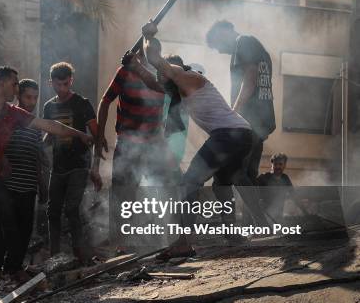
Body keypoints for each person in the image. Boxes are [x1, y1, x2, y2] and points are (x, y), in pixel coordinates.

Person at [129, 21, 269, 256]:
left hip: (229, 135)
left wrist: (148, 35)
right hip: (240, 134)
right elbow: (153, 80)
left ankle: (184, 242)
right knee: (224, 183)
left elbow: (155, 59)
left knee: (189, 182)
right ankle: (239, 232)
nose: (163, 78)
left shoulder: (186, 76)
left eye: (166, 74)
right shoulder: (178, 89)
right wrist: (135, 65)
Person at [0, 66, 92, 280]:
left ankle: (11, 269)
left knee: (12, 223)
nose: (17, 89)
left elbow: (49, 125)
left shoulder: (12, 114)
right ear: (2, 83)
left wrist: (79, 134)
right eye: (15, 84)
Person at [94, 56, 181, 250]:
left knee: (165, 191)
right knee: (123, 195)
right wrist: (99, 138)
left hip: (154, 144)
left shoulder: (163, 77)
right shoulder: (125, 72)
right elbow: (105, 101)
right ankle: (120, 245)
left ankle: (170, 241)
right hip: (127, 144)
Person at [0, 79, 49, 277]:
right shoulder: (7, 118)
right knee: (1, 229)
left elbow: (38, 157)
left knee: (24, 230)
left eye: (35, 98)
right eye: (28, 97)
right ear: (19, 96)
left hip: (28, 186)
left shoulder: (35, 125)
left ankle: (13, 268)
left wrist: (42, 185)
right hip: (6, 185)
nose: (32, 102)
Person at [43, 62, 101, 261]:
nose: (61, 89)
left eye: (65, 84)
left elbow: (97, 137)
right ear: (50, 83)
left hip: (79, 165)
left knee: (72, 209)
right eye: (57, 85)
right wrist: (37, 147)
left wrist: (95, 168)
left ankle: (79, 254)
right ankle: (55, 257)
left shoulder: (82, 103)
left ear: (71, 81)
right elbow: (49, 136)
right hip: (58, 168)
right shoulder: (48, 107)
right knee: (52, 212)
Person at [206, 20, 275, 182]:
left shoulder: (243, 42)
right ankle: (254, 207)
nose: (220, 51)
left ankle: (252, 207)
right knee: (247, 176)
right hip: (259, 124)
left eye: (217, 45)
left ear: (222, 33)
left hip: (247, 123)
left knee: (230, 175)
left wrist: (232, 115)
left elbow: (249, 82)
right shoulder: (256, 46)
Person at [256, 153, 307, 219]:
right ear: (272, 165)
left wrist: (305, 212)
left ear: (284, 165)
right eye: (275, 164)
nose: (277, 167)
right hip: (263, 216)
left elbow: (294, 196)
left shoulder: (285, 178)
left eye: (280, 164)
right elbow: (252, 192)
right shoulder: (264, 177)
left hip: (278, 217)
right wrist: (258, 201)